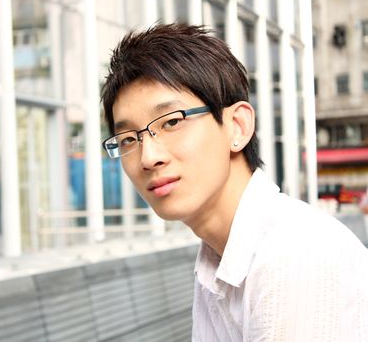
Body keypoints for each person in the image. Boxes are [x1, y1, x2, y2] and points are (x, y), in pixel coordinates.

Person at [100, 23, 368, 341]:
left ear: (237, 126)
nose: (148, 157)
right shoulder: (218, 261)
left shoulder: (291, 254)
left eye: (172, 121)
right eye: (129, 138)